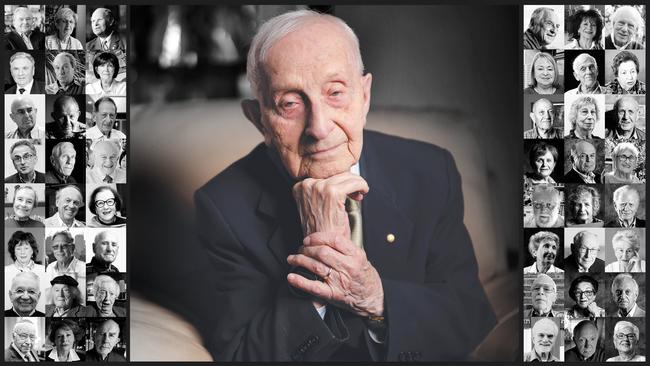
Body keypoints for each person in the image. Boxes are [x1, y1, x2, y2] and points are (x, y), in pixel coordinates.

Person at [195, 10, 495, 361]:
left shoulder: (430, 170)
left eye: (335, 93)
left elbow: (468, 318)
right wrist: (320, 273)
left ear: (364, 96)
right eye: (290, 103)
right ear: (259, 119)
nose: (319, 128)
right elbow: (241, 354)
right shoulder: (223, 206)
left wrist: (375, 298)